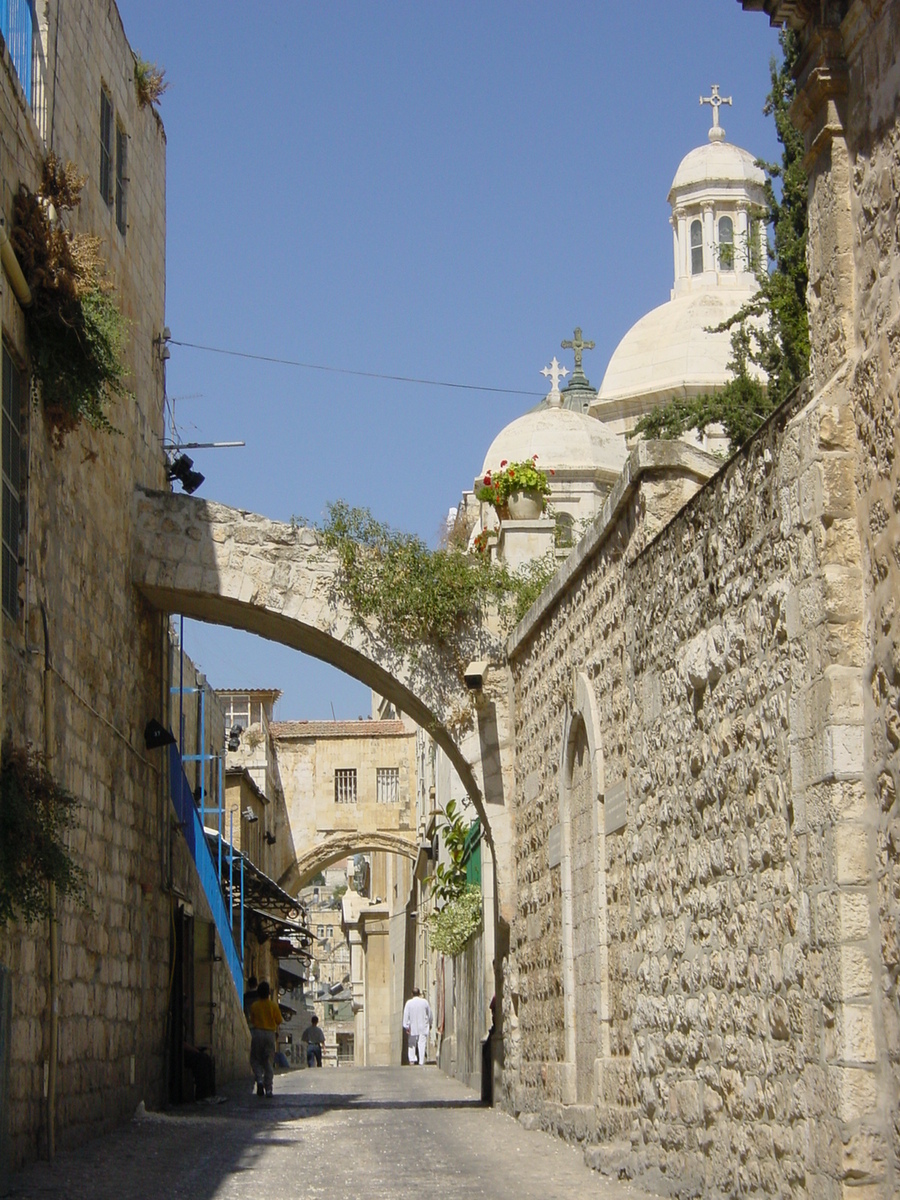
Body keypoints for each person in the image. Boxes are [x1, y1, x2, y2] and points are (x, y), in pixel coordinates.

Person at [248, 980, 283, 1096]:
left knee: (255, 1059)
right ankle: (269, 1089)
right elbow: (279, 1021)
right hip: (269, 1034)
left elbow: (252, 1020)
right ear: (269, 993)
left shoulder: (254, 1006)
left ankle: (259, 1080)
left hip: (257, 1033)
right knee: (268, 1061)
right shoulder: (273, 1006)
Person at [402, 987, 432, 1066]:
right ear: (419, 994)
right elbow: (429, 1014)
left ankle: (412, 1059)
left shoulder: (409, 1003)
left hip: (413, 1026)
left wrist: (406, 1026)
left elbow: (406, 1015)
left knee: (412, 1043)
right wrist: (430, 1023)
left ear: (412, 994)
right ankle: (421, 1061)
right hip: (423, 1026)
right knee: (422, 1043)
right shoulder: (424, 1002)